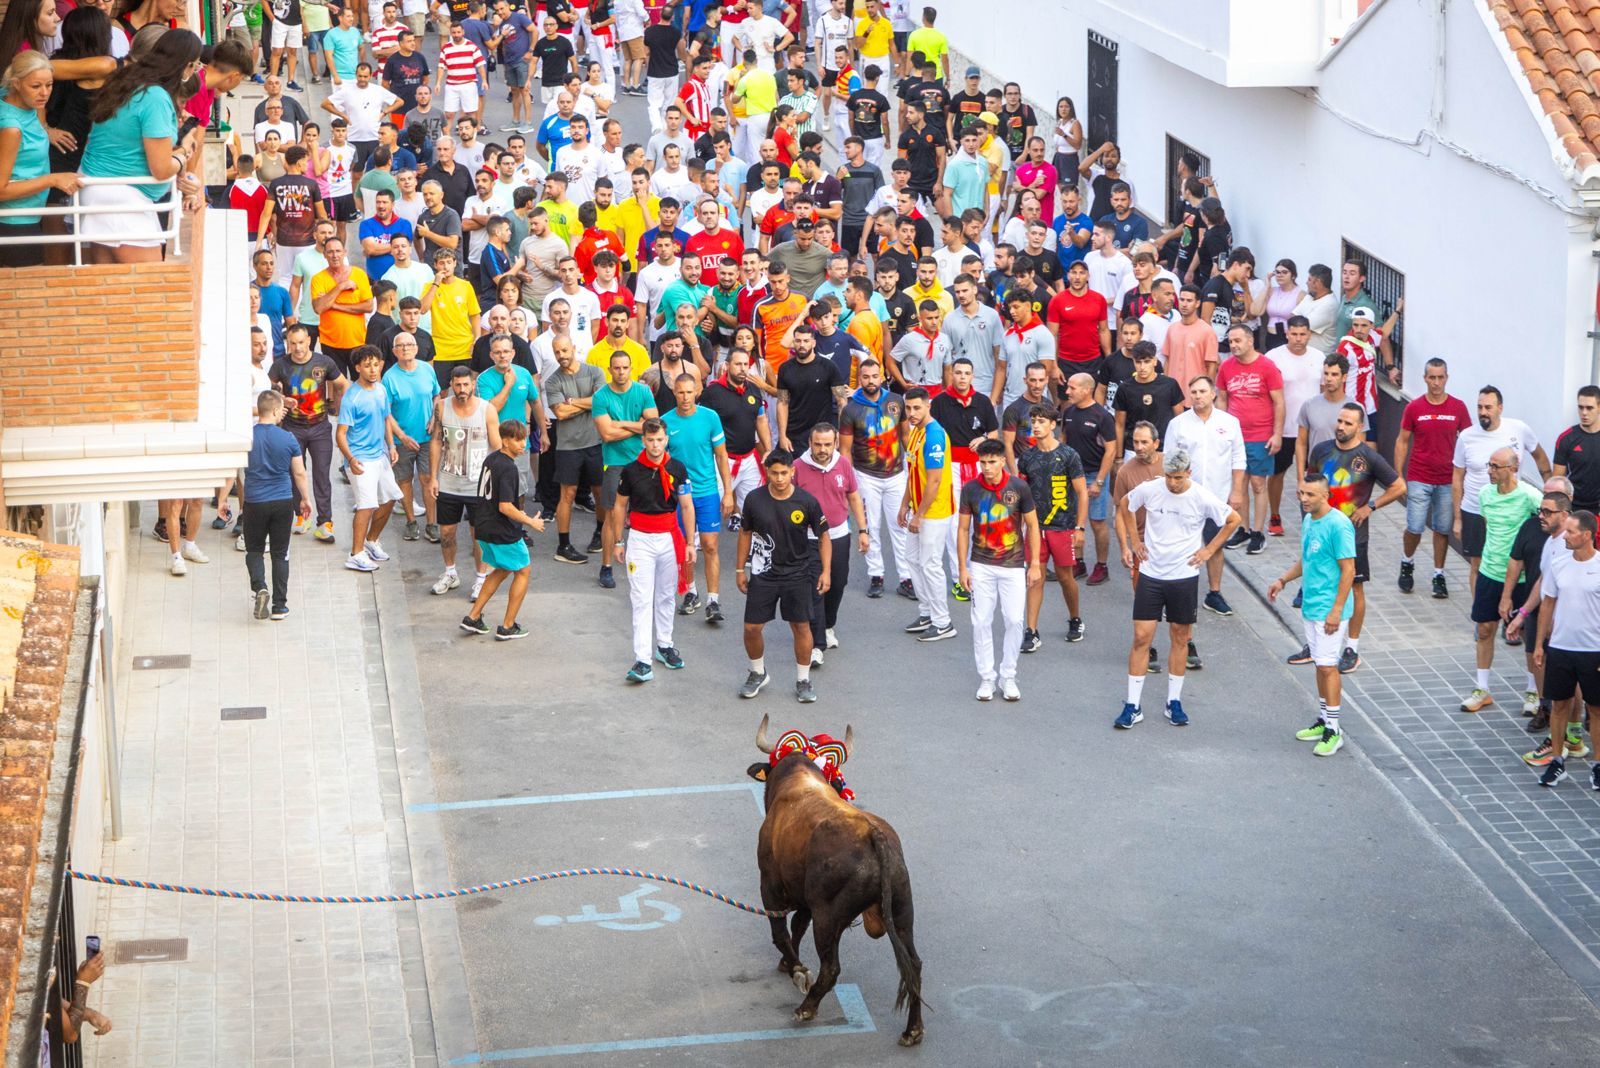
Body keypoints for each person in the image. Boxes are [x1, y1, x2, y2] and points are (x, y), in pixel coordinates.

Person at [1115, 449, 1241, 729]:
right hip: (1151, 573)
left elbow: (1233, 519)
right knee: (1140, 637)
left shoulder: (1200, 496)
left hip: (1183, 576)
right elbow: (1125, 505)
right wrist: (1135, 541)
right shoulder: (1150, 488)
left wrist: (1208, 550)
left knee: (1180, 637)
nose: (1172, 483)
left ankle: (1174, 701)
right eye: (1170, 477)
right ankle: (1133, 705)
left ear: (1189, 474)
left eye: (1178, 478)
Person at [78, 29, 203, 263]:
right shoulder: (155, 97)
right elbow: (162, 169)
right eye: (196, 66)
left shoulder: (125, 80)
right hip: (121, 200)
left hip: (97, 189)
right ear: (186, 66)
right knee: (151, 285)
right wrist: (184, 149)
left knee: (110, 289)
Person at [1301, 403, 1404, 674]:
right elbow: (1309, 483)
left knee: (1355, 587)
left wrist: (1370, 506)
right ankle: (1314, 644)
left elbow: (1399, 486)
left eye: (1348, 423)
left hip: (1351, 534)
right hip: (1320, 530)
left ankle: (1352, 648)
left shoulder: (1368, 457)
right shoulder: (1321, 450)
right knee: (1316, 577)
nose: (1341, 427)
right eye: (1339, 421)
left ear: (1360, 427)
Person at [1267, 473, 1357, 757]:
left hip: (1330, 610)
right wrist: (1283, 580)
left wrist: (1337, 610)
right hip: (1312, 606)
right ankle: (1324, 720)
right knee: (1320, 664)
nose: (1304, 499)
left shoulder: (1339, 526)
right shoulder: (1308, 521)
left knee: (1329, 666)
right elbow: (1306, 560)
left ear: (1325, 496)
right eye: (1302, 493)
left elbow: (1349, 570)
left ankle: (1334, 730)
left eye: (1310, 495)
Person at [737, 448, 829, 703]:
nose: (779, 478)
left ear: (792, 472)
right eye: (774, 473)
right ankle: (757, 673)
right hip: (763, 573)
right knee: (751, 627)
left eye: (783, 473)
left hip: (797, 574)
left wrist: (826, 571)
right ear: (766, 472)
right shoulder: (754, 500)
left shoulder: (807, 502)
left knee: (801, 626)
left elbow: (824, 537)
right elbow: (745, 533)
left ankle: (803, 680)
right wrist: (739, 569)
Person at [1459, 446, 1542, 713]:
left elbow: (1549, 525)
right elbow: (1489, 528)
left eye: (1496, 467)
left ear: (1513, 468)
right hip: (1490, 572)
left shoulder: (1530, 496)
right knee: (1484, 630)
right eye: (1489, 466)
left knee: (1528, 634)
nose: (1490, 471)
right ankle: (1482, 689)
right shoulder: (1485, 495)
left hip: (1522, 578)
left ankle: (1532, 692)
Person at [612, 416, 695, 680]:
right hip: (640, 539)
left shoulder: (678, 468)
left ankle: (665, 646)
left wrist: (691, 543)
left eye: (660, 440)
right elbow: (619, 506)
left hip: (669, 539)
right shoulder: (631, 470)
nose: (656, 445)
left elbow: (687, 505)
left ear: (666, 439)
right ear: (643, 440)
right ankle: (642, 660)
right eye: (650, 440)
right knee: (641, 598)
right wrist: (618, 541)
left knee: (667, 595)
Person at [1452, 386, 1549, 595]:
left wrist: (1550, 490)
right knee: (1478, 564)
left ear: (1500, 408)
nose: (1483, 412)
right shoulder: (1467, 436)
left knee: (1512, 562)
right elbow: (1457, 477)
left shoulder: (1519, 429)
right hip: (1475, 510)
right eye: (1479, 407)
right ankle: (1481, 615)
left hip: (1513, 511)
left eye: (1488, 407)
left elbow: (1540, 456)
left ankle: (1507, 609)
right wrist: (1458, 518)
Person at [1165, 375, 1244, 630]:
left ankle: (1214, 593)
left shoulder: (1230, 423)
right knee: (1180, 545)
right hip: (1185, 496)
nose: (1197, 396)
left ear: (1213, 394)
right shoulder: (1178, 424)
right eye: (1193, 392)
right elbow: (1168, 460)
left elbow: (1238, 459)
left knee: (1214, 545)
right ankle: (1175, 593)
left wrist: (1237, 492)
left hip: (1218, 496)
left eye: (1202, 391)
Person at [1530, 510, 1600, 788]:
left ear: (1586, 535)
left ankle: (1597, 765)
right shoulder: (1559, 563)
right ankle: (1557, 762)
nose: (1566, 536)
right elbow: (1547, 604)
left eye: (1571, 532)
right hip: (1560, 647)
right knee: (1559, 706)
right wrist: (1539, 645)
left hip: (1593, 649)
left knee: (1596, 710)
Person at [460, 418, 547, 640]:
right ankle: (508, 626)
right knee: (523, 570)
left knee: (501, 569)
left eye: (524, 439)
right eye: (517, 440)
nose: (522, 444)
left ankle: (474, 616)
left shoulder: (491, 459)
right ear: (505, 441)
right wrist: (530, 521)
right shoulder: (509, 468)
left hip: (483, 527)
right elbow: (506, 506)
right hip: (502, 531)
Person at [1394, 357, 1471, 597]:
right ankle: (1407, 562)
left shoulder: (1458, 407)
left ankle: (1439, 574)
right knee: (1415, 527)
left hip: (1448, 480)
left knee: (1442, 529)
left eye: (1440, 377)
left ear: (1447, 378)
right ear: (1425, 378)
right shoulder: (1414, 408)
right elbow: (1402, 441)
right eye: (1432, 377)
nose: (1436, 383)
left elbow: (1468, 442)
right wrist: (1398, 476)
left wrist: (1467, 476)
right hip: (1419, 476)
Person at [793, 422, 869, 658]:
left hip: (838, 534)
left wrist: (863, 530)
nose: (822, 449)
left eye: (827, 444)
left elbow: (854, 497)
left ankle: (827, 626)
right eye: (818, 444)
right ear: (810, 444)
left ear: (835, 444)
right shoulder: (797, 467)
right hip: (808, 538)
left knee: (838, 583)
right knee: (816, 587)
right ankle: (817, 645)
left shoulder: (843, 464)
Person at [426, 364, 501, 598]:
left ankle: (480, 579)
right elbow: (437, 441)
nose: (462, 389)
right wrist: (433, 478)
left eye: (466, 384)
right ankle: (450, 573)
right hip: (449, 482)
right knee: (447, 532)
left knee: (478, 534)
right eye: (457, 385)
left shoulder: (487, 410)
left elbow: (498, 448)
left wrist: (497, 482)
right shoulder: (441, 407)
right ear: (451, 384)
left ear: (473, 384)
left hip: (478, 484)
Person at [663, 373, 734, 617]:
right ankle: (690, 592)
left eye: (689, 392)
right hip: (681, 497)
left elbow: (722, 456)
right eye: (680, 392)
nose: (685, 397)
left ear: (697, 392)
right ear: (674, 392)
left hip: (707, 493)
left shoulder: (710, 418)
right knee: (685, 546)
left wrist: (728, 493)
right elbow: (660, 461)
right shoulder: (666, 422)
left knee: (710, 545)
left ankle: (713, 600)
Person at [0, 52, 81, 267]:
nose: (44, 93)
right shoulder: (11, 128)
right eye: (36, 86)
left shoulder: (19, 102)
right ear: (16, 83)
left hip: (29, 215)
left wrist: (48, 129)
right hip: (14, 221)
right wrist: (52, 180)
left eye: (49, 85)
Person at [1017, 404, 1087, 650]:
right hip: (1036, 529)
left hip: (1063, 527)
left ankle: (1075, 619)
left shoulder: (1068, 455)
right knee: (1034, 579)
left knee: (1066, 576)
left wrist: (1080, 528)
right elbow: (1021, 496)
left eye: (1041, 421)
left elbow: (1081, 492)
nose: (1036, 425)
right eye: (1033, 421)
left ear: (1053, 425)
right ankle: (1031, 631)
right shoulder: (1026, 458)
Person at [269, 322, 348, 543]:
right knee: (295, 473)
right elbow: (268, 389)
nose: (298, 347)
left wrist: (341, 409)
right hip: (292, 427)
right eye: (292, 343)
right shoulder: (280, 365)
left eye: (301, 342)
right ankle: (301, 516)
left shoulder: (324, 362)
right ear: (287, 344)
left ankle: (325, 522)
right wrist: (281, 400)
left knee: (322, 475)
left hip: (320, 427)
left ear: (309, 341)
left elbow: (343, 383)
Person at [838, 357, 909, 599]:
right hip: (866, 476)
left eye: (874, 376)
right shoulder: (850, 409)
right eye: (865, 377)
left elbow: (906, 436)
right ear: (859, 379)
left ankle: (906, 578)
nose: (870, 381)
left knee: (901, 526)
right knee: (871, 527)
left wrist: (912, 464)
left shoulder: (897, 401)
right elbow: (845, 450)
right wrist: (848, 482)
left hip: (897, 474)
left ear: (882, 377)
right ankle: (876, 575)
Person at [243, 390, 314, 621]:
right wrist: (305, 499)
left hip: (254, 501)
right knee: (280, 553)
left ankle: (260, 587)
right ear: (275, 411)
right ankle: (279, 606)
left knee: (254, 550)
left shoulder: (247, 437)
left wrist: (224, 500)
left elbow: (231, 470)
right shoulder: (288, 438)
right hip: (282, 501)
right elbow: (300, 472)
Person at [592, 348, 659, 590]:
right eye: (616, 368)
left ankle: (648, 561)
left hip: (643, 461)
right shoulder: (601, 396)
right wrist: (637, 426)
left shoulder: (643, 391)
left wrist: (621, 423)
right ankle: (606, 566)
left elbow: (653, 426)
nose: (621, 372)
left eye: (625, 367)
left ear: (632, 369)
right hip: (615, 463)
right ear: (610, 370)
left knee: (649, 512)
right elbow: (607, 434)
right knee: (612, 515)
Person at [1214, 324, 1284, 555]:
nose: (1233, 345)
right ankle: (1242, 529)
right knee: (1239, 482)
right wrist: (1220, 430)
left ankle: (1258, 532)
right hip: (1235, 437)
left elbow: (1279, 402)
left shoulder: (1267, 367)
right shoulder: (1226, 367)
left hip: (1261, 435)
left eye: (1237, 340)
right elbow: (1222, 399)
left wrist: (1277, 434)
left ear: (1250, 340)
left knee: (1257, 483)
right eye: (1231, 341)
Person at [336, 346, 404, 573]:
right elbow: (340, 434)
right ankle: (355, 554)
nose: (373, 370)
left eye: (376, 364)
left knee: (391, 498)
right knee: (366, 506)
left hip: (380, 455)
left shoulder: (381, 390)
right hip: (361, 460)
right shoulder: (351, 398)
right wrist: (351, 459)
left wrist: (392, 446)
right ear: (357, 368)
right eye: (367, 365)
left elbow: (386, 418)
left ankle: (371, 540)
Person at [898, 386, 956, 642]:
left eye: (917, 408)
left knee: (931, 565)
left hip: (934, 512)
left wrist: (918, 515)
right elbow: (913, 474)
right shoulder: (916, 433)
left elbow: (933, 482)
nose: (911, 413)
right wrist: (904, 505)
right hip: (918, 511)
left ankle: (943, 622)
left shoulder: (933, 436)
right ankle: (927, 612)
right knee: (912, 559)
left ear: (928, 406)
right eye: (908, 408)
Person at [545, 335, 607, 563]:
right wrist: (586, 402)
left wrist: (572, 402)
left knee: (600, 493)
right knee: (567, 495)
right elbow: (559, 413)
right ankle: (563, 545)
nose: (561, 356)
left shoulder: (594, 372)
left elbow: (601, 401)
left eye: (564, 350)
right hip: (567, 446)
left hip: (595, 443)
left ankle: (600, 533)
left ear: (573, 347)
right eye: (557, 352)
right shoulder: (552, 381)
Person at [382, 331, 441, 541]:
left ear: (416, 348)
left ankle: (432, 524)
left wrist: (434, 418)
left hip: (427, 437)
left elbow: (437, 395)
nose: (406, 348)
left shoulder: (427, 369)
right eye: (401, 346)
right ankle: (411, 521)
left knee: (428, 479)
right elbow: (385, 413)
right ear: (394, 351)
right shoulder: (389, 377)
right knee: (405, 480)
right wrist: (401, 437)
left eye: (409, 344)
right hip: (401, 440)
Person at [1058, 371, 1115, 585]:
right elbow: (1063, 440)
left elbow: (1110, 451)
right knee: (1073, 521)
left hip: (1093, 476)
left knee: (1098, 522)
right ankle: (1078, 562)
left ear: (1086, 390)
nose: (1067, 391)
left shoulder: (1102, 417)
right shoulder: (1069, 411)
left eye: (1072, 388)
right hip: (1072, 476)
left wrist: (1100, 482)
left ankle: (1101, 566)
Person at [310, 237, 375, 376]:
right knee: (337, 387)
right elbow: (319, 308)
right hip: (330, 343)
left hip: (357, 341)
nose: (335, 255)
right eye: (330, 252)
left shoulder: (359, 274)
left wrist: (334, 305)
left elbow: (369, 306)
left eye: (338, 251)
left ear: (345, 252)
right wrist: (341, 286)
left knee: (361, 383)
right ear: (324, 254)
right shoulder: (318, 278)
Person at [1553, 385, 1600, 513]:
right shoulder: (1566, 439)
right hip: (1573, 508)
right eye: (1580, 407)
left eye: (1589, 408)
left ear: (1599, 408)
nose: (1584, 412)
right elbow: (1557, 481)